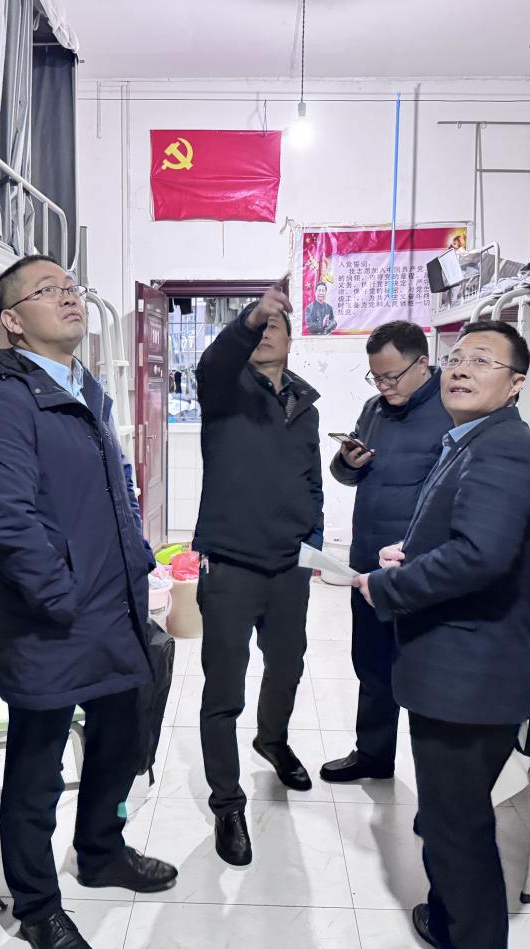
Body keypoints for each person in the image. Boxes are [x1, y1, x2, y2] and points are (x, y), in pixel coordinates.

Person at [0, 255, 177, 949]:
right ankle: (37, 906)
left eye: (71, 287)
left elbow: (111, 497)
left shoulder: (85, 389)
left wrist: (137, 564)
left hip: (112, 605)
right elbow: (6, 518)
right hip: (51, 618)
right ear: (12, 320)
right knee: (38, 764)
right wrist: (60, 596)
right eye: (46, 290)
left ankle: (101, 850)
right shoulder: (3, 402)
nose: (68, 297)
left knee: (118, 739)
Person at [353, 320, 530, 949]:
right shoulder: (472, 439)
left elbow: (478, 557)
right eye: (458, 357)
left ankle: (471, 936)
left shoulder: (503, 449)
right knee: (447, 818)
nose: (462, 368)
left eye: (483, 361)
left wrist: (390, 586)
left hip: (467, 675)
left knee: (456, 827)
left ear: (516, 383)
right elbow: (469, 536)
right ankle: (445, 921)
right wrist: (409, 553)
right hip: (458, 670)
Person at [194, 282, 323, 867]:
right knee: (224, 689)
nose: (267, 333)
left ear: (292, 340)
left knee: (288, 665)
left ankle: (272, 740)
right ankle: (228, 803)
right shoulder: (224, 388)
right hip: (231, 564)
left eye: (275, 327)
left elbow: (310, 477)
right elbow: (216, 360)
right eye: (259, 327)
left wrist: (313, 536)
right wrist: (251, 317)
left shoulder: (304, 404)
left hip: (289, 564)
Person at [320, 321, 452, 783]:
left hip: (420, 569)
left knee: (421, 672)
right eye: (375, 376)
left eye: (392, 376)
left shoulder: (452, 410)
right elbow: (347, 475)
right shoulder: (374, 410)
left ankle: (436, 781)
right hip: (367, 563)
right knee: (371, 662)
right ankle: (373, 755)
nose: (383, 386)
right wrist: (346, 462)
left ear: (423, 364)